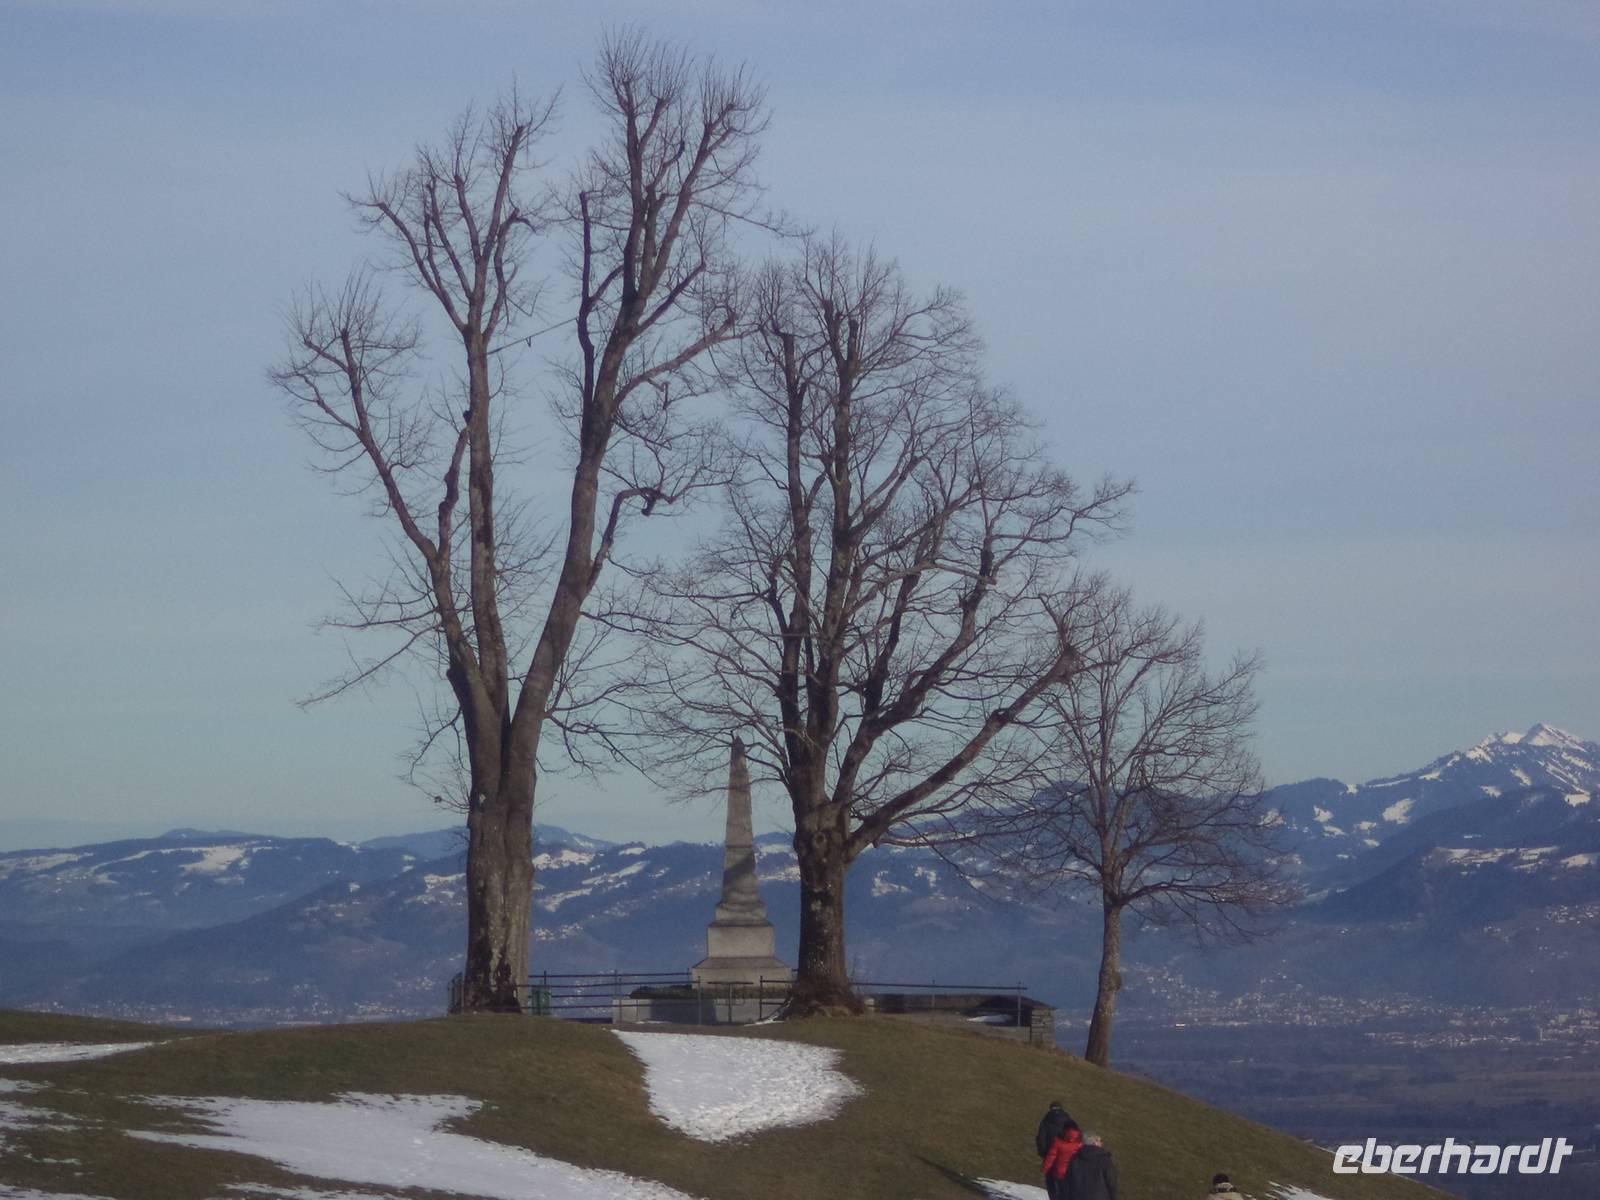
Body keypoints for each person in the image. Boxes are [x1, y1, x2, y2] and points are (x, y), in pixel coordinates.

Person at [1064, 1131, 1117, 1200]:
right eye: (1100, 1141)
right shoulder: (1105, 1160)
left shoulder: (1074, 1159)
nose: (1102, 1143)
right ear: (1094, 1142)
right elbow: (1111, 1182)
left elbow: (1068, 1181)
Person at [1041, 1123, 1083, 1200]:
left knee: (1060, 1192)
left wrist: (1045, 1169)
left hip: (1059, 1173)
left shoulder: (1058, 1141)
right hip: (1074, 1173)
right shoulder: (1080, 1143)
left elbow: (1051, 1156)